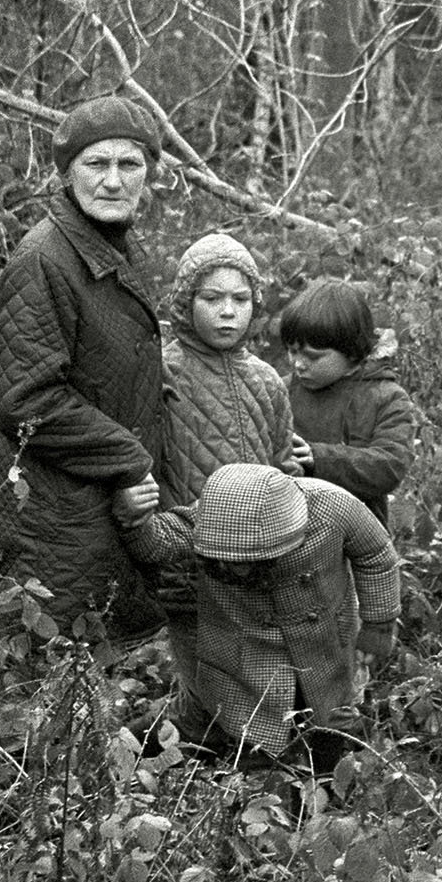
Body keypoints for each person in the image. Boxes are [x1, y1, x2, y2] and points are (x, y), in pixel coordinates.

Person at [0, 94, 171, 655]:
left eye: (129, 164)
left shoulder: (112, 246)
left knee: (92, 687)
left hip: (96, 514)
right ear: (66, 174)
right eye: (96, 164)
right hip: (53, 523)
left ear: (148, 175)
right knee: (35, 690)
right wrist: (130, 461)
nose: (113, 181)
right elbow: (26, 399)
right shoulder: (44, 259)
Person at [117, 462, 400, 769]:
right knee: (230, 723)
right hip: (241, 650)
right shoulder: (213, 520)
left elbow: (377, 555)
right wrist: (134, 521)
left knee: (328, 717)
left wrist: (379, 624)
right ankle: (119, 754)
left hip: (324, 640)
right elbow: (158, 545)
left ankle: (326, 790)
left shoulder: (333, 506)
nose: (240, 568)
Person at [154, 232, 297, 689]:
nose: (228, 311)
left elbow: (284, 468)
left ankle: (248, 750)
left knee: (260, 675)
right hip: (188, 557)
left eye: (240, 298)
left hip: (261, 559)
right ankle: (182, 745)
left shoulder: (268, 380)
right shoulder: (162, 371)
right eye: (211, 298)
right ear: (185, 302)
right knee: (202, 679)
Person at [279, 278, 418, 528]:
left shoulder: (387, 398)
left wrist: (317, 458)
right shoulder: (280, 390)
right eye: (292, 351)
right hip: (286, 527)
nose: (298, 363)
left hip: (357, 536)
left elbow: (390, 465)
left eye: (313, 356)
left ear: (352, 351)